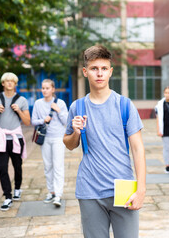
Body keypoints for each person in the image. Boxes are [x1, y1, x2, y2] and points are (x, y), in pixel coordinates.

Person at [63, 45, 146, 238]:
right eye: (94, 69)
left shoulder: (124, 105)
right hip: (89, 190)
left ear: (110, 72)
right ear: (85, 72)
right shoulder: (77, 107)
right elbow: (69, 144)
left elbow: (137, 148)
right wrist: (75, 132)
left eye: (103, 68)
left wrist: (141, 189)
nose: (99, 73)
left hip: (123, 188)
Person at [0, 72, 30, 211]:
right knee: (2, 168)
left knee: (18, 166)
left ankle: (17, 188)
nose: (10, 83)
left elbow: (27, 122)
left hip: (16, 138)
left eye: (12, 81)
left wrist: (19, 111)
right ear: (3, 83)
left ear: (15, 84)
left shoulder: (21, 100)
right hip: (1, 138)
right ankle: (7, 196)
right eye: (7, 81)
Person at [31, 79, 68, 207]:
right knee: (48, 166)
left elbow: (66, 121)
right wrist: (43, 120)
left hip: (58, 138)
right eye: (43, 88)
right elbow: (33, 121)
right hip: (45, 138)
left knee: (58, 166)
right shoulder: (37, 103)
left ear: (53, 89)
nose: (45, 90)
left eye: (47, 88)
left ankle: (58, 195)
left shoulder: (60, 103)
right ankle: (51, 192)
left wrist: (58, 110)